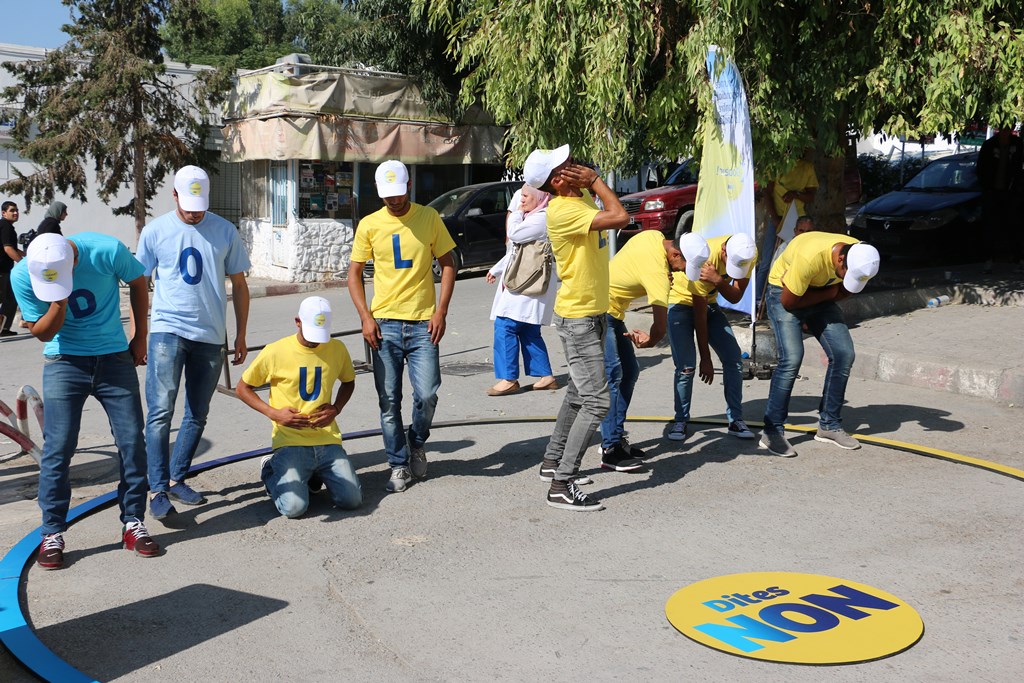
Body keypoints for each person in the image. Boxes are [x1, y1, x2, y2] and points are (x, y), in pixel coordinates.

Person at [11, 233, 159, 569]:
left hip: (114, 358)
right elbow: (45, 333)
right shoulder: (23, 273)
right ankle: (51, 531)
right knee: (58, 447)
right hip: (64, 362)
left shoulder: (106, 250)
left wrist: (139, 336)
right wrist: (58, 302)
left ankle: (133, 522)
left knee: (132, 440)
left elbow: (138, 282)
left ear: (74, 261)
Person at [136, 166, 251, 520]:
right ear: (174, 196)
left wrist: (242, 333)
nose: (194, 213)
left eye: (200, 206)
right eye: (188, 206)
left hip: (210, 335)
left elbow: (240, 284)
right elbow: (139, 283)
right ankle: (157, 489)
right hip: (167, 331)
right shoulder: (155, 231)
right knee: (159, 412)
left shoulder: (224, 230)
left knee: (197, 413)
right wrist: (140, 334)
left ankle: (177, 477)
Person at [526, 145, 628, 511]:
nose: (578, 166)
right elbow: (620, 217)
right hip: (579, 318)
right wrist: (598, 181)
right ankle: (561, 483)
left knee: (578, 394)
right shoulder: (564, 209)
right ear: (557, 180)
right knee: (597, 400)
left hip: (592, 312)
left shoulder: (580, 195)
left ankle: (552, 461)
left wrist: (591, 183)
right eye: (568, 165)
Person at [347, 160, 456, 493]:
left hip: (424, 323)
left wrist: (441, 311)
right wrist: (366, 317)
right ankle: (397, 464)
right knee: (388, 400)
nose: (393, 201)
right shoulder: (369, 224)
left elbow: (448, 263)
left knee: (427, 394)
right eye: (387, 196)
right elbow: (353, 274)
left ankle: (417, 441)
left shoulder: (429, 217)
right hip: (384, 325)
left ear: (409, 187)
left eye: (398, 194)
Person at [236, 296, 362, 518]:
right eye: (312, 333)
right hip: (290, 441)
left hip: (327, 440)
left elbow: (349, 381)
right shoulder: (275, 351)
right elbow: (242, 388)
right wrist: (274, 414)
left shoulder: (337, 348)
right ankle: (270, 469)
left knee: (351, 500)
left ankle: (313, 475)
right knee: (293, 508)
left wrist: (336, 408)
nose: (316, 342)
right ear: (297, 321)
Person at [759, 231, 880, 457]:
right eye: (846, 273)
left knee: (844, 354)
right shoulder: (810, 258)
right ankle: (771, 431)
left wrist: (829, 295)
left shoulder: (863, 257)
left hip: (820, 293)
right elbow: (790, 301)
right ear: (840, 259)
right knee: (792, 358)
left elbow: (845, 290)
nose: (847, 277)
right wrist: (829, 294)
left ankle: (829, 425)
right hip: (784, 292)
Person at [599, 229, 692, 471]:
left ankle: (615, 437)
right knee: (613, 376)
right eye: (683, 265)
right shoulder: (658, 274)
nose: (681, 271)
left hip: (612, 310)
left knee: (630, 372)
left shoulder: (653, 235)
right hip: (599, 312)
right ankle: (610, 450)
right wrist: (648, 342)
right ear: (675, 253)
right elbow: (660, 328)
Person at [666, 232, 758, 443]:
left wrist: (717, 279)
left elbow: (735, 296)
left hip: (710, 303)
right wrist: (705, 359)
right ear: (723, 251)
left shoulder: (748, 252)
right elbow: (700, 317)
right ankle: (680, 419)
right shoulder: (703, 260)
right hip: (681, 302)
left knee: (733, 359)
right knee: (686, 366)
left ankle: (736, 420)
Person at [485, 184, 559, 396]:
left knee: (505, 325)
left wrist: (516, 213)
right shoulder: (534, 216)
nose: (521, 201)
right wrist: (497, 269)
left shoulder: (541, 217)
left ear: (540, 197)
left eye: (525, 196)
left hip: (529, 283)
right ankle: (545, 375)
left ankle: (508, 378)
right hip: (526, 281)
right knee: (528, 328)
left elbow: (514, 235)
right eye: (521, 197)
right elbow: (515, 251)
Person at [755, 151, 818, 299]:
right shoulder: (776, 166)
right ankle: (758, 299)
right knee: (767, 259)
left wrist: (796, 194)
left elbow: (811, 196)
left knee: (800, 258)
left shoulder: (807, 167)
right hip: (777, 217)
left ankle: (796, 295)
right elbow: (767, 193)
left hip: (799, 219)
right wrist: (775, 218)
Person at [975, 127, 1024, 268]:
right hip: (992, 191)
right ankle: (988, 258)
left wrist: (1016, 186)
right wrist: (987, 186)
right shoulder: (989, 145)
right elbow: (981, 168)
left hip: (1011, 192)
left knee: (1014, 224)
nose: (1005, 133)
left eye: (1008, 130)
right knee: (990, 225)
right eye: (1003, 130)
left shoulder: (1017, 143)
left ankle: (1017, 257)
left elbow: (1018, 167)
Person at [1, 201, 24, 336]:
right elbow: (8, 248)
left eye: (16, 210)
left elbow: (13, 248)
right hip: (2, 271)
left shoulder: (7, 226)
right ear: (4, 213)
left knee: (9, 299)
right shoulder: (5, 226)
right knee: (9, 299)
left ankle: (4, 329)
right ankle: (3, 329)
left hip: (4, 270)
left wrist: (26, 255)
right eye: (12, 210)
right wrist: (22, 264)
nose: (15, 213)